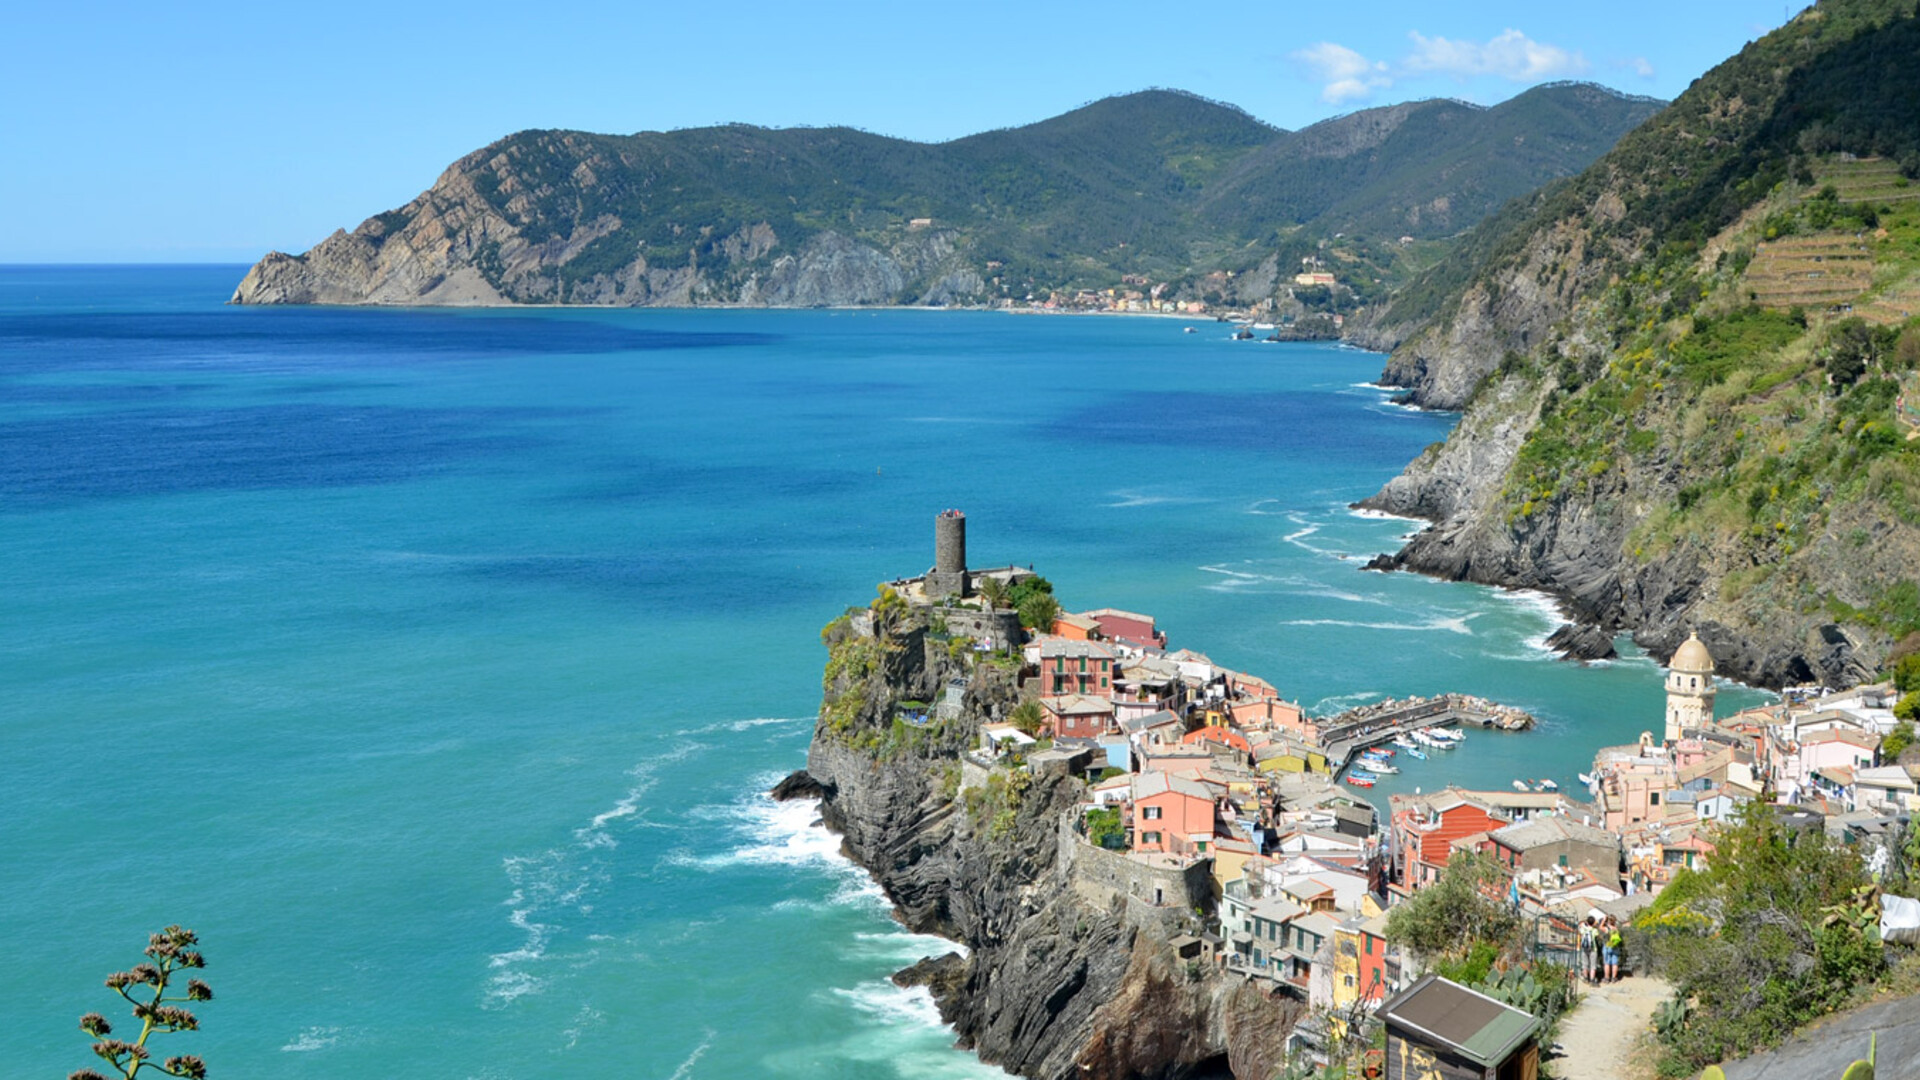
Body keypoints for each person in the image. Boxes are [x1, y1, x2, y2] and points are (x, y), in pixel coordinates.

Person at [1604, 918, 1624, 983]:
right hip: (1615, 946)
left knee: (1607, 963)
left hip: (1608, 945)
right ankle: (1613, 978)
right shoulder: (1616, 929)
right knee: (1614, 963)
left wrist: (1604, 920)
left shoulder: (1607, 929)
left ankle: (1607, 978)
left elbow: (1600, 927)